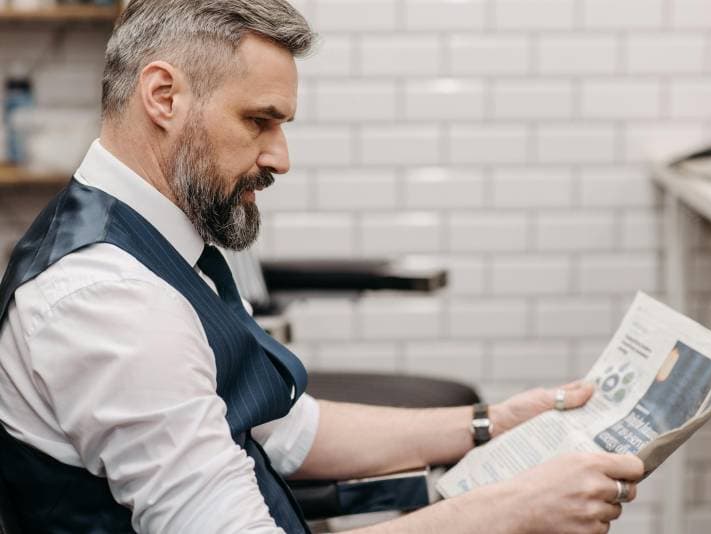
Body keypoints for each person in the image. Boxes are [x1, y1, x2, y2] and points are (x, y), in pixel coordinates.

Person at [0, 1, 644, 533]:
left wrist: (488, 424)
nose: (280, 158)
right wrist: (514, 511)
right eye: (259, 121)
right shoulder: (107, 299)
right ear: (163, 96)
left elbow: (286, 427)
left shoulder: (160, 238)